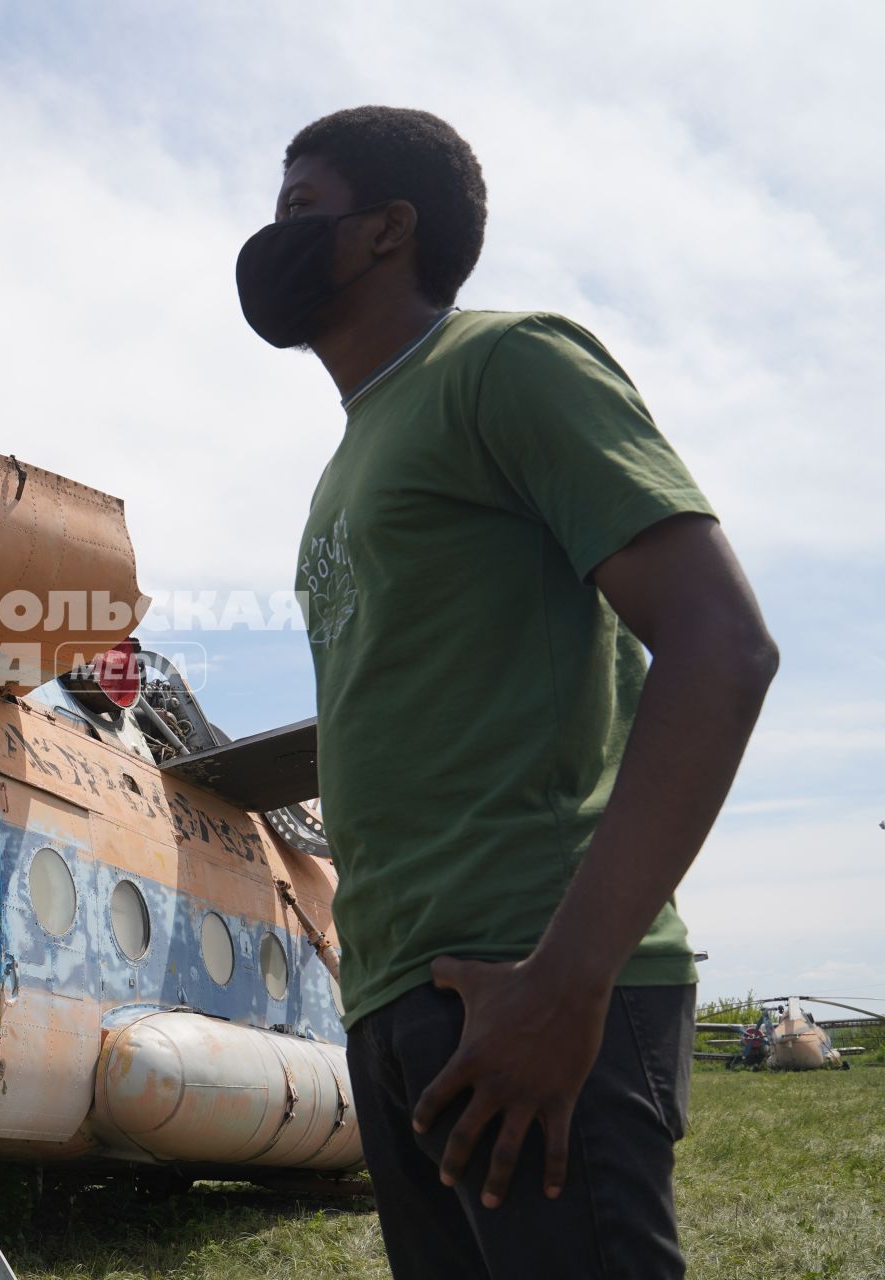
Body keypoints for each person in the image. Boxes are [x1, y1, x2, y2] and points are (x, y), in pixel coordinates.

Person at [236, 106, 777, 1278]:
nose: (271, 238)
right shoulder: (348, 461)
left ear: (387, 229)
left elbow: (720, 644)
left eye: (299, 208)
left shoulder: (503, 359)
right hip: (400, 1000)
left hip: (529, 981)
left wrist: (564, 983)